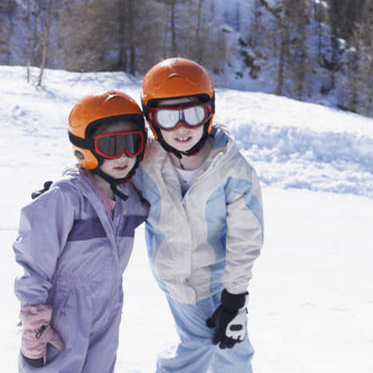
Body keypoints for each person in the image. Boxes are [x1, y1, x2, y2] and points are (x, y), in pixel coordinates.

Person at [132, 57, 264, 373]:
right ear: (151, 119)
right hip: (177, 277)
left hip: (221, 278)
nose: (181, 128)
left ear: (209, 112)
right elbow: (104, 173)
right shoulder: (145, 163)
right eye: (167, 117)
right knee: (197, 347)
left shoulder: (233, 170)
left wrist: (234, 299)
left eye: (192, 115)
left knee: (234, 351)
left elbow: (245, 238)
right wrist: (67, 193)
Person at [13, 90, 150, 372]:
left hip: (108, 305)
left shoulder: (130, 198)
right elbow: (33, 257)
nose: (124, 155)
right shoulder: (67, 198)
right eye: (112, 146)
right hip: (65, 310)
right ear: (85, 148)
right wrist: (35, 321)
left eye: (132, 143)